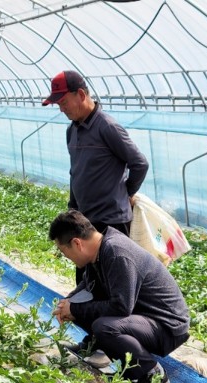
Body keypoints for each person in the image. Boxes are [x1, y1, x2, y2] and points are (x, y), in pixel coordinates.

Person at [49, 210, 190, 383]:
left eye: (64, 251)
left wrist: (74, 309)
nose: (66, 257)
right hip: (142, 318)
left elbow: (121, 307)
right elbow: (88, 286)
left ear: (77, 243)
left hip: (167, 326)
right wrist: (67, 303)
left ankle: (153, 374)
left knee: (104, 326)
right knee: (81, 308)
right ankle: (125, 367)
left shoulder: (117, 254)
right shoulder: (98, 252)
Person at [43, 70, 149, 284]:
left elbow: (139, 163)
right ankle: (85, 316)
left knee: (112, 282)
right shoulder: (71, 131)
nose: (61, 109)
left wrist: (124, 194)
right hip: (84, 220)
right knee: (85, 281)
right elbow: (76, 172)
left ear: (81, 94)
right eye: (58, 105)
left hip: (111, 222)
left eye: (64, 102)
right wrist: (73, 209)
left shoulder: (107, 127)